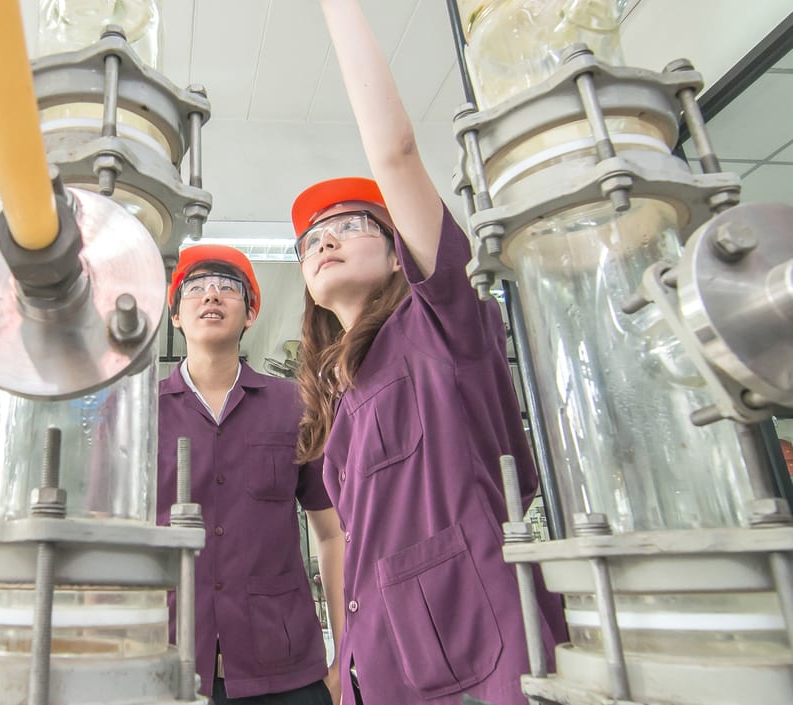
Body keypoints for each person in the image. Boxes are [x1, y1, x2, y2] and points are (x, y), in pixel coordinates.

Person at [290, 2, 568, 704]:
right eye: (309, 241)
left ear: (397, 257)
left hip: (481, 657)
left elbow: (395, 154)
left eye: (350, 225)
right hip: (378, 665)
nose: (322, 241)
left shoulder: (441, 322)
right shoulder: (341, 394)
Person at [157, 245, 347, 705]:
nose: (212, 296)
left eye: (228, 289)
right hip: (160, 661)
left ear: (250, 314)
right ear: (176, 316)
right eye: (197, 289)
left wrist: (343, 658)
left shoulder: (295, 405)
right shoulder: (141, 412)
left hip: (283, 669)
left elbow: (331, 533)